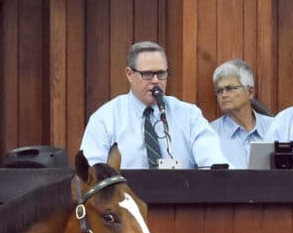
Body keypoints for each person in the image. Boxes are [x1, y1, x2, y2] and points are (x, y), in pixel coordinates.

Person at [81, 40, 228, 170]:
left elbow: (213, 161)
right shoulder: (106, 118)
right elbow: (90, 173)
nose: (156, 81)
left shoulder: (188, 115)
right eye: (148, 74)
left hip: (180, 198)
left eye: (161, 73)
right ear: (129, 74)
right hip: (126, 198)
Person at [209, 59, 275, 168]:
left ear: (250, 92)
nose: (224, 95)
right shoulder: (211, 134)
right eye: (219, 91)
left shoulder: (274, 127)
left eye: (230, 89)